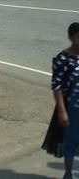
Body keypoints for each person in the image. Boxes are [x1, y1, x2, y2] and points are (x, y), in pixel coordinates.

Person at [44, 22, 79, 179]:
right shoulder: (63, 58)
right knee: (70, 141)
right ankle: (68, 173)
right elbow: (57, 86)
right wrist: (62, 111)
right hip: (72, 108)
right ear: (71, 38)